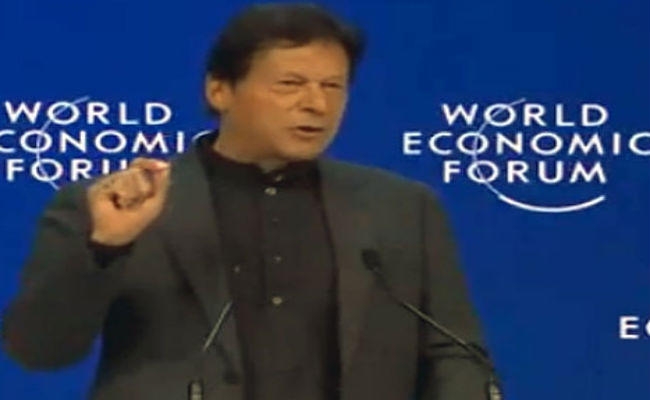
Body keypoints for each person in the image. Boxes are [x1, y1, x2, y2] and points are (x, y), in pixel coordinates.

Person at [2, 3, 493, 399]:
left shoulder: (402, 208)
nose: (317, 105)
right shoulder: (115, 206)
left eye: (333, 87)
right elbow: (39, 351)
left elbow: (455, 353)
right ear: (220, 90)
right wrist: (105, 247)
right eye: (290, 85)